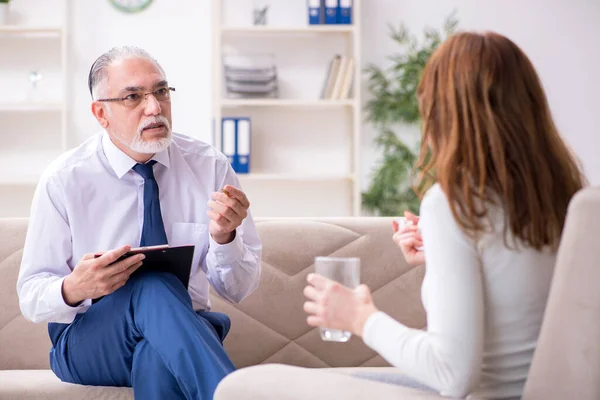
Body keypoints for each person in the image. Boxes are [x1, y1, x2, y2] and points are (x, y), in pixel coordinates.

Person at [215, 32, 587, 400]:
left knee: (240, 387)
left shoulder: (455, 202)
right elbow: (517, 299)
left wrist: (361, 317)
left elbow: (452, 373)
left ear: (442, 110)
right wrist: (441, 258)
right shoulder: (564, 195)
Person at [17, 46, 262, 400]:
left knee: (157, 356)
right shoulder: (65, 179)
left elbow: (238, 288)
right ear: (101, 113)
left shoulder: (210, 166)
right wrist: (76, 286)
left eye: (161, 92)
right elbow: (31, 296)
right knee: (154, 284)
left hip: (183, 331)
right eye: (134, 96)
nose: (154, 107)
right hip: (90, 340)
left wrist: (225, 238)